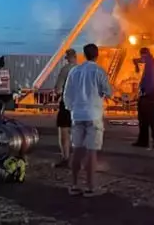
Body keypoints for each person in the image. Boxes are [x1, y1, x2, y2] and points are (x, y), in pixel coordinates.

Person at [63, 43, 112, 196]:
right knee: (91, 152)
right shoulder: (99, 71)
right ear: (97, 55)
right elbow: (108, 92)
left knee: (77, 150)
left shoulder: (74, 71)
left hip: (77, 115)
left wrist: (73, 109)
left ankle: (74, 185)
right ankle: (91, 188)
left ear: (84, 55)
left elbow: (67, 95)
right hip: (93, 116)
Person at [132, 47, 154, 148]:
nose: (142, 57)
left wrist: (136, 62)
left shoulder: (149, 61)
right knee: (145, 120)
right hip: (148, 95)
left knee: (149, 120)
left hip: (147, 96)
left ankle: (152, 141)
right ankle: (144, 141)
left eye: (142, 55)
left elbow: (143, 59)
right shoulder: (152, 63)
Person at [54, 49, 78, 168]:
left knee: (64, 131)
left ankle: (66, 158)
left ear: (68, 57)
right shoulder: (82, 70)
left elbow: (58, 89)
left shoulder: (65, 70)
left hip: (67, 104)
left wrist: (58, 95)